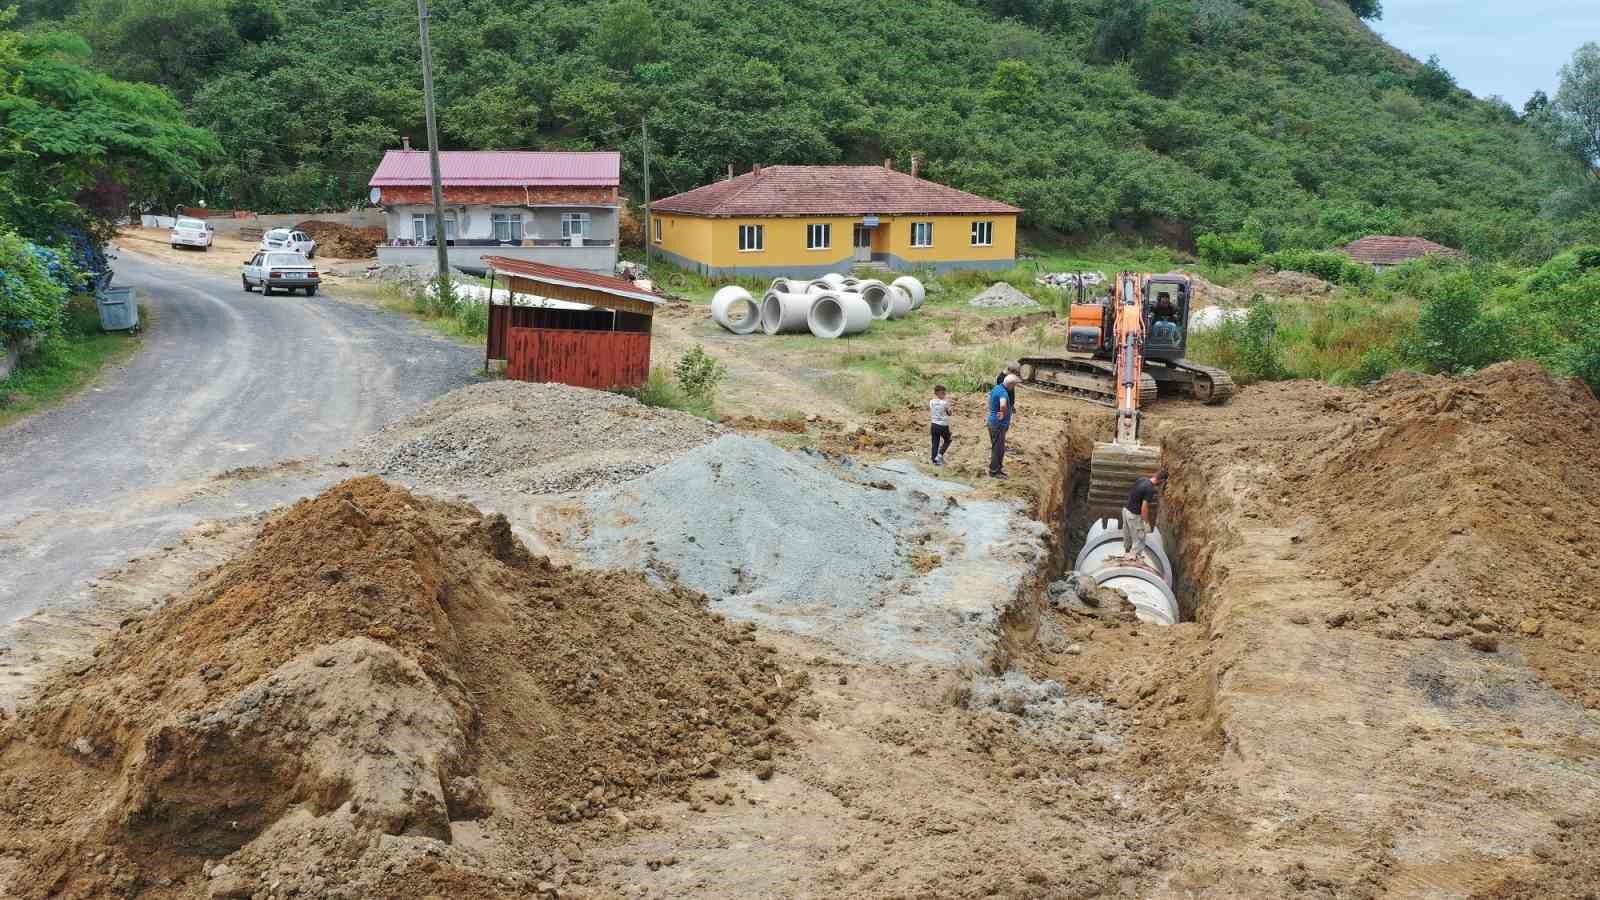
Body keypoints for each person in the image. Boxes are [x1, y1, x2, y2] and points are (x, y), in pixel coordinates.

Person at [1122, 469, 1167, 554]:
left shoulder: (1142, 479)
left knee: (1128, 535)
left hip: (1125, 510)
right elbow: (1144, 507)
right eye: (1163, 482)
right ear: (1162, 480)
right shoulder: (1150, 489)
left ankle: (1127, 553)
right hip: (1133, 515)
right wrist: (1146, 522)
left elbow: (1133, 492)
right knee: (1140, 539)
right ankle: (1133, 559)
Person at [987, 374, 1019, 478]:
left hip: (994, 423)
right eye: (1014, 385)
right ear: (1011, 385)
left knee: (999, 448)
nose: (1014, 388)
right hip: (998, 425)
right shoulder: (1004, 393)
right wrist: (1002, 412)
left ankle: (998, 469)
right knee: (998, 449)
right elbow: (1003, 404)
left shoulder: (997, 388)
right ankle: (994, 471)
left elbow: (990, 399)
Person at [929, 384, 953, 466]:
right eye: (943, 393)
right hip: (943, 425)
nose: (944, 394)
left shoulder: (931, 401)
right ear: (938, 393)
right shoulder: (945, 403)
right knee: (948, 440)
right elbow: (949, 413)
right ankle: (939, 455)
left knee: (935, 442)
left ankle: (934, 460)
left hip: (934, 424)